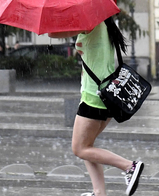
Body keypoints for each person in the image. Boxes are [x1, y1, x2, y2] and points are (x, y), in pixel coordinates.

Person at [49, 16, 144, 196]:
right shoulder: (105, 24)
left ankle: (129, 167)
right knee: (88, 147)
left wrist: (49, 19)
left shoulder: (90, 22)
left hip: (94, 97)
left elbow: (53, 33)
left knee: (79, 148)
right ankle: (99, 193)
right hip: (107, 95)